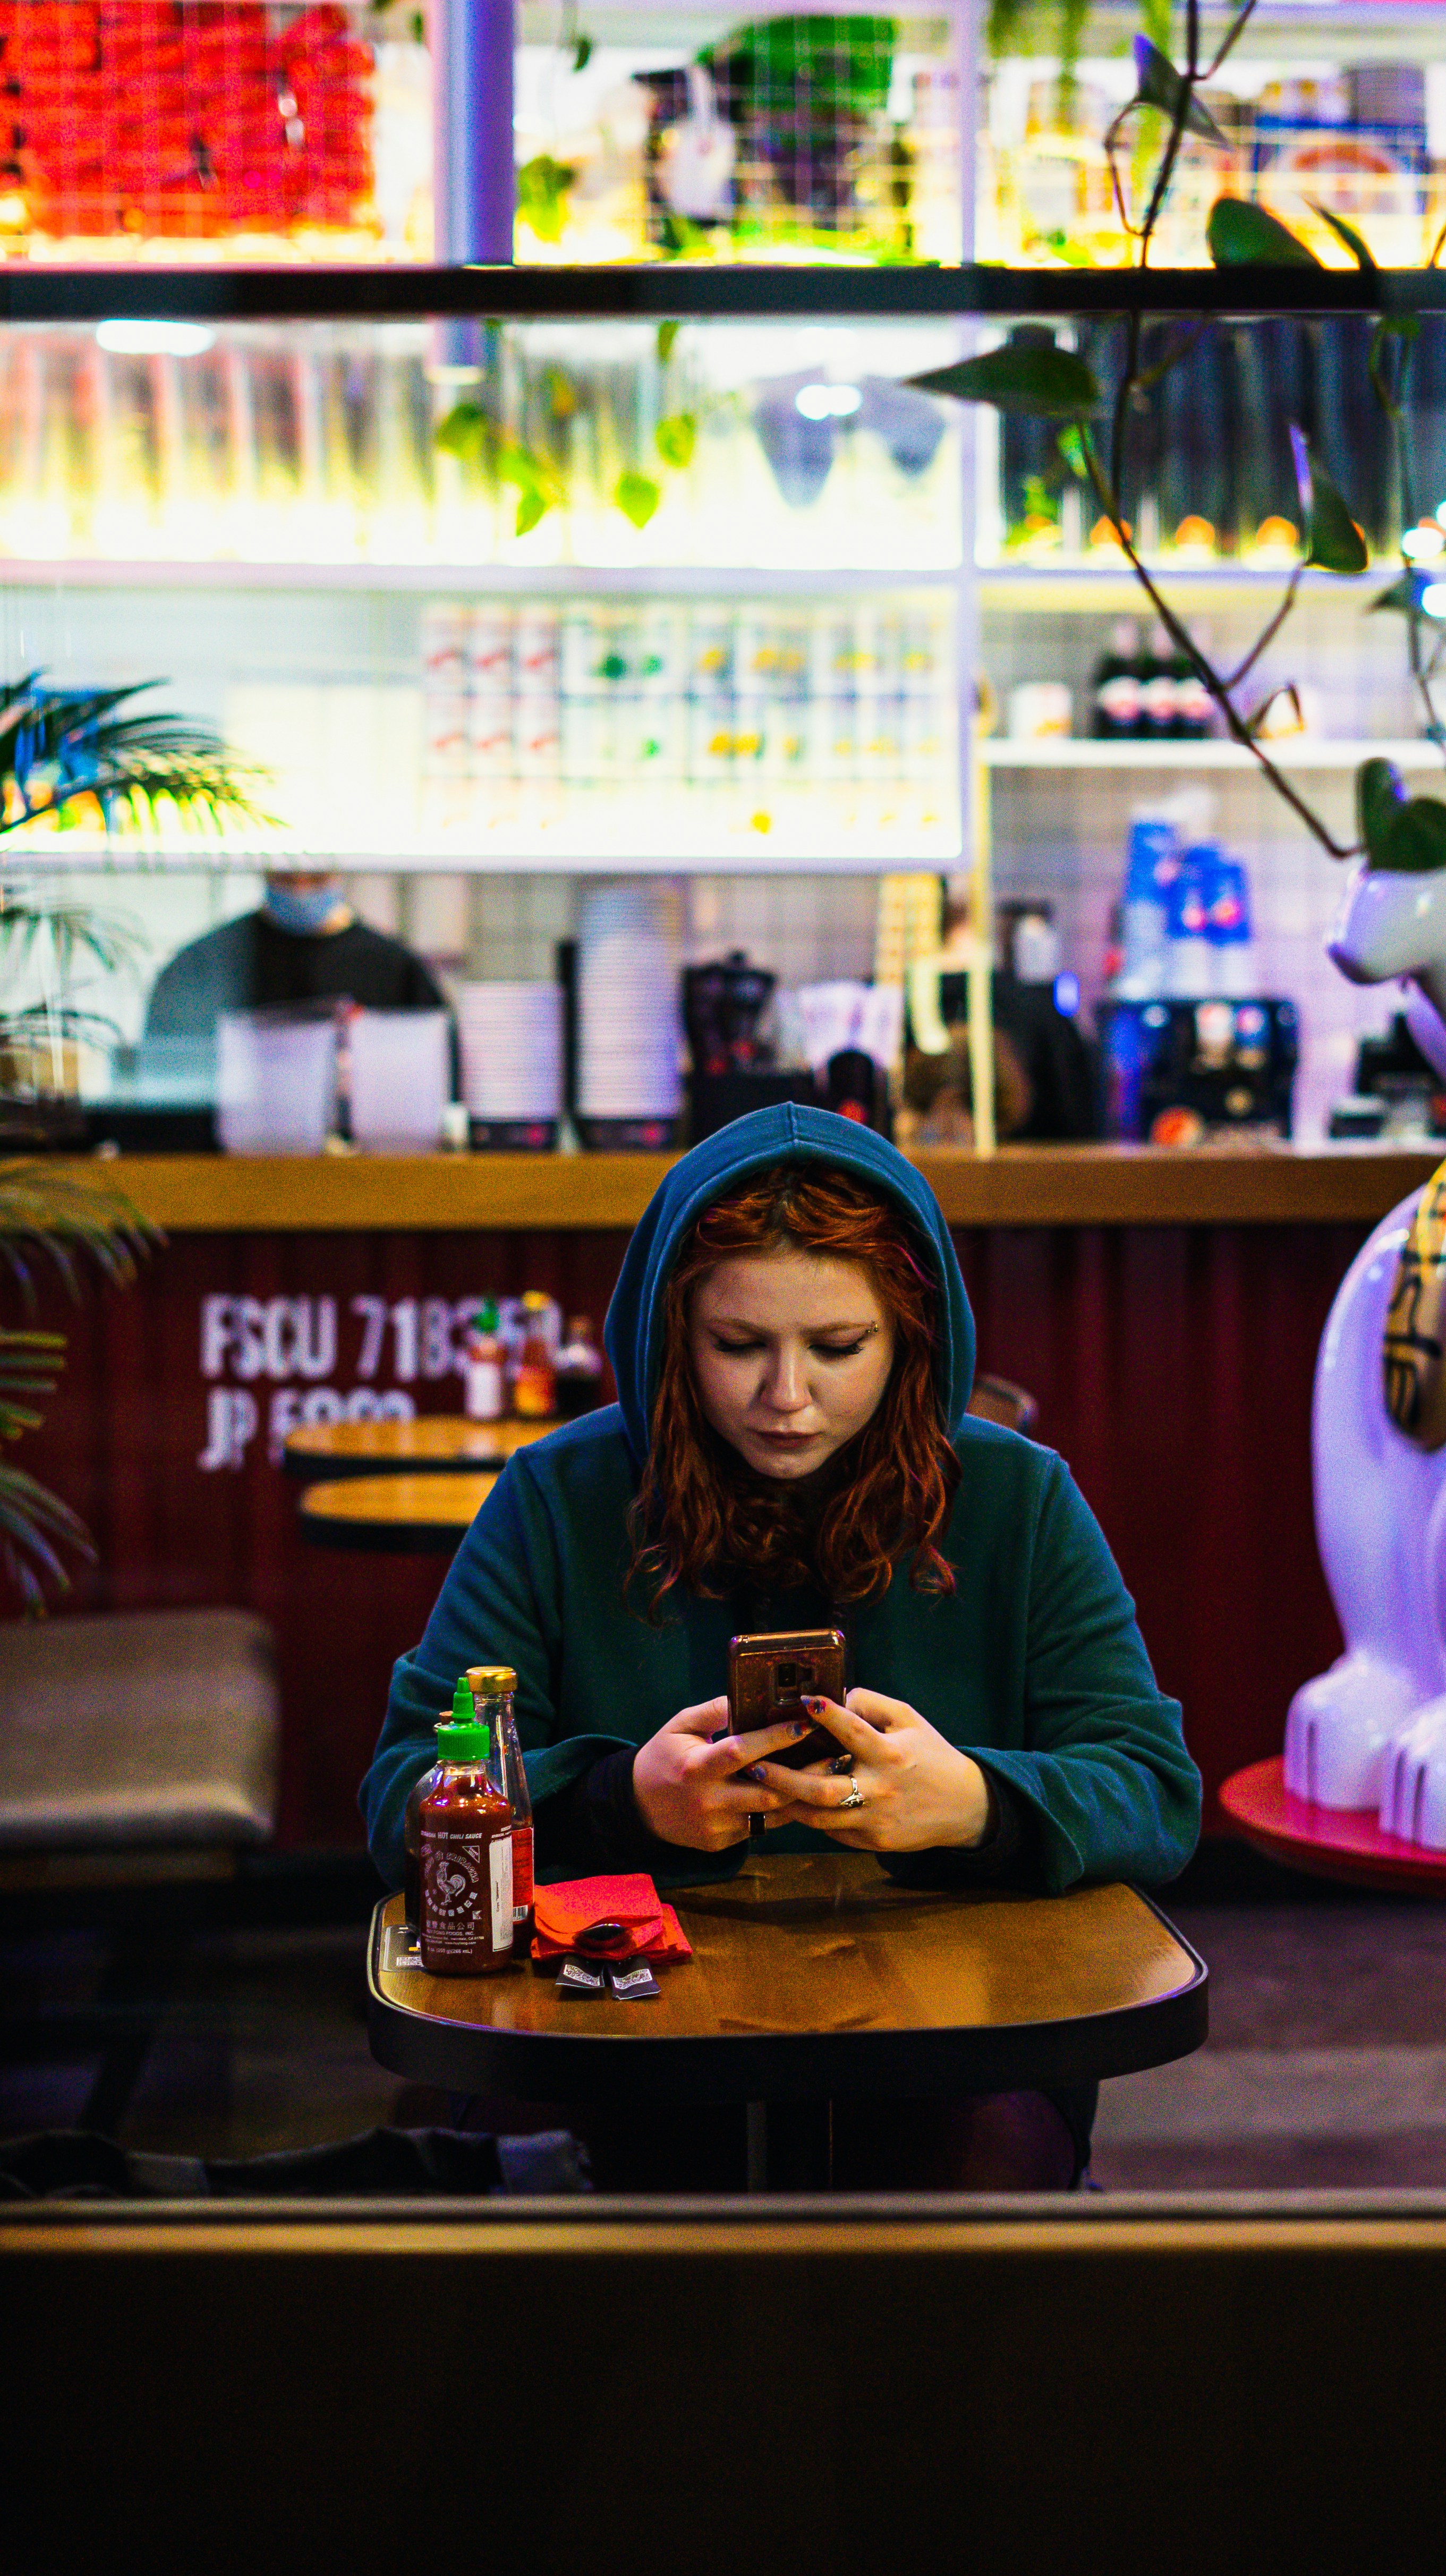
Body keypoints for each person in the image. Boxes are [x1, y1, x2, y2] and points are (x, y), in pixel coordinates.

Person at [360, 1104, 1199, 2191]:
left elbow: (1153, 1788)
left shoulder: (1016, 1497)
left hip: (948, 2049)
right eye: (738, 1344)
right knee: (537, 2203)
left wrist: (977, 1804)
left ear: (911, 1339)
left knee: (964, 2202)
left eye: (839, 1347)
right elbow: (398, 1800)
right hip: (612, 2035)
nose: (787, 1396)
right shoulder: (557, 1496)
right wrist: (620, 1802)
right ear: (669, 1338)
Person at [144, 873, 448, 1038]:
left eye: (315, 877)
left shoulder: (393, 965)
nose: (301, 889)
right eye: (287, 876)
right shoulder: (207, 961)